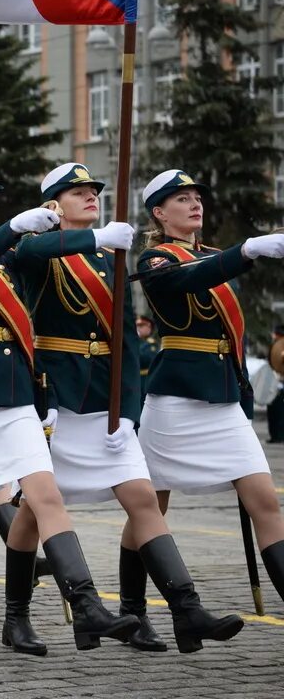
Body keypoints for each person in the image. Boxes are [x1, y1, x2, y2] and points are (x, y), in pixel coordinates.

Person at [11, 163, 243, 654]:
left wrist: (131, 412)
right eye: (77, 192)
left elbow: (127, 343)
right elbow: (30, 251)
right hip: (59, 398)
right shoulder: (42, 249)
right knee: (33, 512)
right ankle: (17, 618)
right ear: (53, 204)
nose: (91, 196)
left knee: (141, 498)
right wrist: (95, 236)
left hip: (106, 398)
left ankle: (187, 608)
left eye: (94, 190)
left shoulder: (106, 254)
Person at [0, 159, 137, 668]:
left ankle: (86, 605)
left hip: (16, 396)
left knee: (45, 495)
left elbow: (43, 248)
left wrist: (91, 237)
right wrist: (9, 231)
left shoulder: (10, 253)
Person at [136, 168, 284, 608]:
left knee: (266, 503)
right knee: (149, 509)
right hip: (175, 400)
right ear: (159, 213)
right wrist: (248, 250)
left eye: (197, 196)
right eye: (181, 199)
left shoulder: (219, 255)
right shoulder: (155, 261)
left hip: (221, 398)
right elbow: (188, 280)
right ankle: (133, 607)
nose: (194, 203)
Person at [268, 324, 284, 444]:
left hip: (281, 385)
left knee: (279, 413)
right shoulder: (275, 347)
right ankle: (274, 435)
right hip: (274, 384)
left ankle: (279, 436)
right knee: (272, 412)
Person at [136, 315, 158, 400]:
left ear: (149, 327)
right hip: (136, 379)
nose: (138, 328)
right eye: (137, 326)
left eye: (141, 326)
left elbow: (146, 359)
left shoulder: (152, 344)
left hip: (146, 379)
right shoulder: (136, 342)